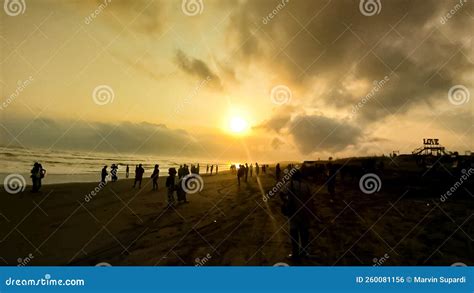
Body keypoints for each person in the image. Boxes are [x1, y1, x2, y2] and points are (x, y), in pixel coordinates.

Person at [280, 170, 312, 259]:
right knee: (304, 232)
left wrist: (285, 202)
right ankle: (304, 252)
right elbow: (310, 199)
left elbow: (282, 193)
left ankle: (295, 253)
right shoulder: (306, 186)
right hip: (305, 212)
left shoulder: (289, 184)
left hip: (294, 212)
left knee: (294, 232)